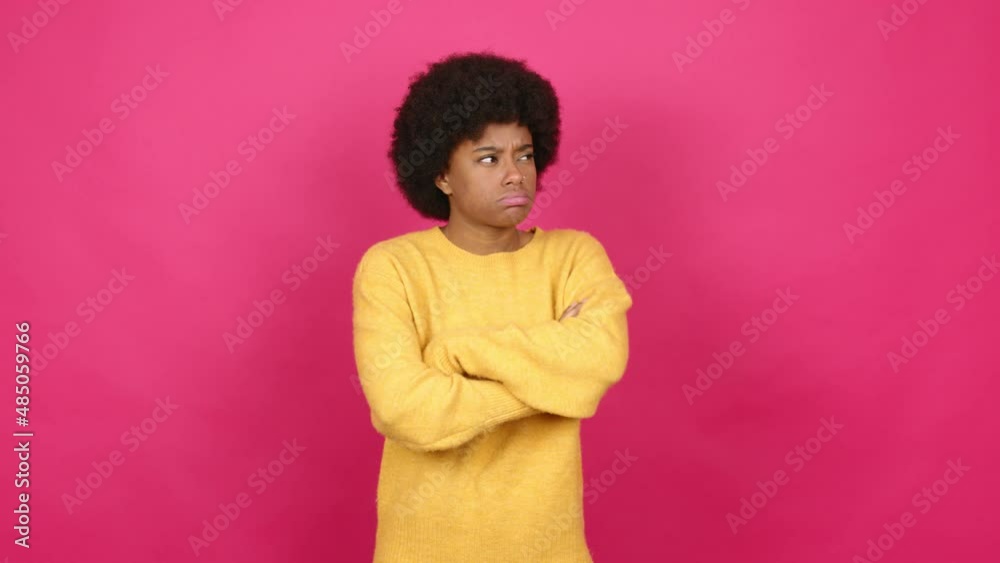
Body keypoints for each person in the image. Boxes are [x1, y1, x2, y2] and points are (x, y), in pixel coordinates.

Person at [352, 51, 633, 562]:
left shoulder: (574, 257)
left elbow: (600, 359)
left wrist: (453, 356)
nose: (515, 175)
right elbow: (406, 410)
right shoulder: (393, 268)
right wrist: (554, 379)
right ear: (442, 175)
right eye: (489, 159)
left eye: (524, 155)